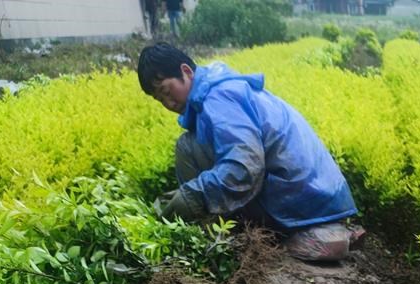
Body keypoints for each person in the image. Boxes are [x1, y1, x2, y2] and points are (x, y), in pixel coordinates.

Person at [137, 43, 362, 262]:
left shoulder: (220, 97)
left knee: (189, 152)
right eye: (159, 99)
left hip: (302, 196)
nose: (167, 102)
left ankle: (215, 232)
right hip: (312, 190)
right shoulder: (216, 90)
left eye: (166, 91)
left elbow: (244, 166)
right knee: (188, 144)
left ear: (186, 71)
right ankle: (213, 227)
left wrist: (194, 195)